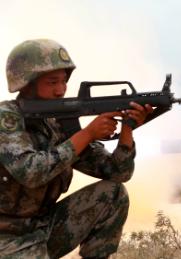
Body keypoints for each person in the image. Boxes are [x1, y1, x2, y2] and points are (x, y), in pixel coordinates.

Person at [0, 39, 153, 259]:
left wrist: (127, 129)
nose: (61, 90)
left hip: (42, 227)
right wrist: (87, 134)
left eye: (63, 81)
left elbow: (118, 173)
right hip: (6, 236)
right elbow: (31, 172)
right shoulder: (7, 118)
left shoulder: (57, 122)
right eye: (52, 82)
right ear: (26, 83)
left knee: (112, 194)